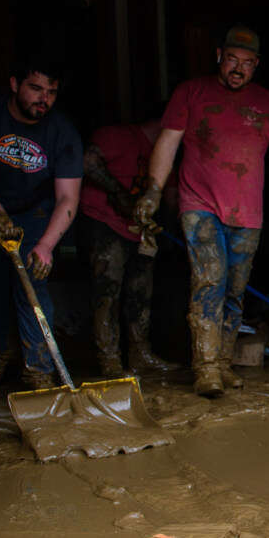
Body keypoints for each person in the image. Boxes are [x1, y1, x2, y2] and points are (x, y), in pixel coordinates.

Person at [134, 26, 269, 398]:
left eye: (247, 63)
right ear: (219, 55)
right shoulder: (191, 92)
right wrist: (153, 192)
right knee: (210, 280)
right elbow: (167, 144)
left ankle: (221, 363)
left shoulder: (267, 103)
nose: (239, 68)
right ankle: (205, 369)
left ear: (256, 66)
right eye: (233, 59)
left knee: (234, 290)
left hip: (247, 213)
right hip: (199, 205)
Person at [0, 56, 82, 389]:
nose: (44, 99)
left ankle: (38, 371)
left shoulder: (63, 132)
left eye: (52, 92)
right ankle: (1, 351)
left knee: (33, 285)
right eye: (35, 88)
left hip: (37, 213)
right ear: (14, 84)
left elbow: (68, 198)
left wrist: (46, 246)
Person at [77, 105, 178, 376]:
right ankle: (109, 360)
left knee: (140, 293)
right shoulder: (117, 136)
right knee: (107, 292)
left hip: (140, 230)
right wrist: (119, 194)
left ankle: (140, 354)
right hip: (105, 223)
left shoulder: (170, 156)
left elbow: (170, 195)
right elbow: (86, 162)